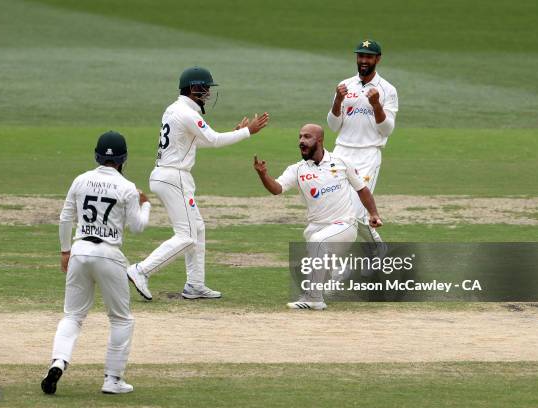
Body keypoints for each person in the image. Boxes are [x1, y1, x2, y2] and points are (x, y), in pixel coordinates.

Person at [127, 66, 269, 301]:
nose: (208, 94)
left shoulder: (174, 109)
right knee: (187, 235)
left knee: (197, 228)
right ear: (194, 88)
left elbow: (196, 141)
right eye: (205, 88)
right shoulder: (188, 113)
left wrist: (235, 133)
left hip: (167, 176)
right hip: (175, 178)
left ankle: (195, 285)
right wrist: (247, 133)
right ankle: (141, 270)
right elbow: (212, 140)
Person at [41, 131, 151, 395]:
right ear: (124, 159)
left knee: (73, 315)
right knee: (121, 320)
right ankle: (112, 380)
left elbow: (65, 218)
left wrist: (65, 251)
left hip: (79, 251)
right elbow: (137, 227)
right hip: (109, 255)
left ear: (97, 156)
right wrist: (145, 204)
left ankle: (58, 361)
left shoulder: (81, 180)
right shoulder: (127, 187)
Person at [253, 124, 382, 310]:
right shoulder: (297, 170)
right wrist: (264, 175)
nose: (301, 141)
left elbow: (362, 190)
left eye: (307, 137)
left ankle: (314, 299)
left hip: (345, 225)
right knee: (318, 249)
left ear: (319, 140)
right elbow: (277, 189)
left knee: (318, 242)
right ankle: (341, 276)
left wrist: (374, 214)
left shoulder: (341, 162)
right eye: (299, 137)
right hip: (316, 227)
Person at [327, 39, 397, 246]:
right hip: (341, 152)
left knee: (355, 212)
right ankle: (377, 251)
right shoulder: (345, 85)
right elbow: (333, 125)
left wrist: (376, 105)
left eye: (368, 56)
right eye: (360, 56)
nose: (363, 60)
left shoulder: (387, 90)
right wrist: (338, 101)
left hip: (367, 154)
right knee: (337, 209)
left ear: (378, 59)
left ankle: (370, 253)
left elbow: (387, 129)